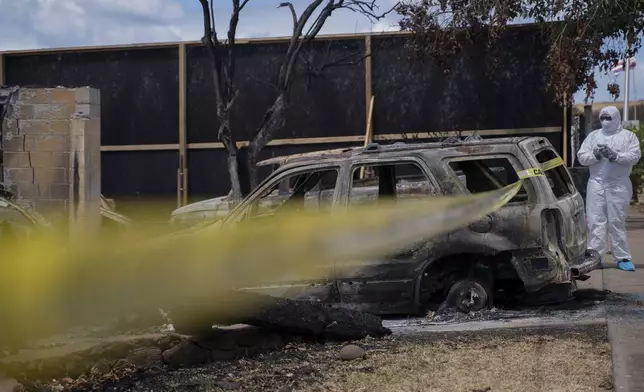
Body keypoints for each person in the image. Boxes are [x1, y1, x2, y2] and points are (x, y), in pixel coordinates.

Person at [577, 106, 641, 271]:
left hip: (618, 184)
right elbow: (582, 157)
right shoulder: (593, 136)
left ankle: (623, 257)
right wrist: (595, 155)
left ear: (616, 118)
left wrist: (616, 156)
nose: (605, 121)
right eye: (603, 118)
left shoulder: (628, 136)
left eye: (609, 118)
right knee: (595, 220)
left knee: (616, 221)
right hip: (596, 183)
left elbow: (635, 156)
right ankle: (595, 257)